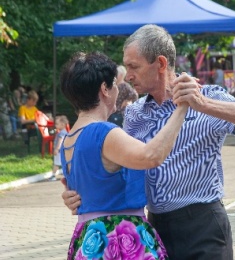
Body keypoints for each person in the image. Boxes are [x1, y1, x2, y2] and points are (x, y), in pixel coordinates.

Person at [62, 25, 235, 260]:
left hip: (203, 225)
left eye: (134, 66)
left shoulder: (207, 95)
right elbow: (115, 166)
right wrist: (79, 193)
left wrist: (203, 104)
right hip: (155, 229)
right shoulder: (134, 114)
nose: (128, 75)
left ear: (161, 64)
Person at [59, 51, 189, 259]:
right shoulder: (103, 132)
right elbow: (151, 156)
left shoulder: (68, 140)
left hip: (89, 238)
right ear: (104, 89)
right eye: (114, 84)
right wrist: (181, 109)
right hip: (118, 236)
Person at [49, 115, 69, 181]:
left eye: (57, 124)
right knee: (64, 164)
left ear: (63, 124)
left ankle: (53, 175)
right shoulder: (65, 132)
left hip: (59, 152)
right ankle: (66, 175)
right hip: (63, 151)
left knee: (56, 164)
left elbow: (60, 142)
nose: (55, 125)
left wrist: (56, 149)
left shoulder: (61, 133)